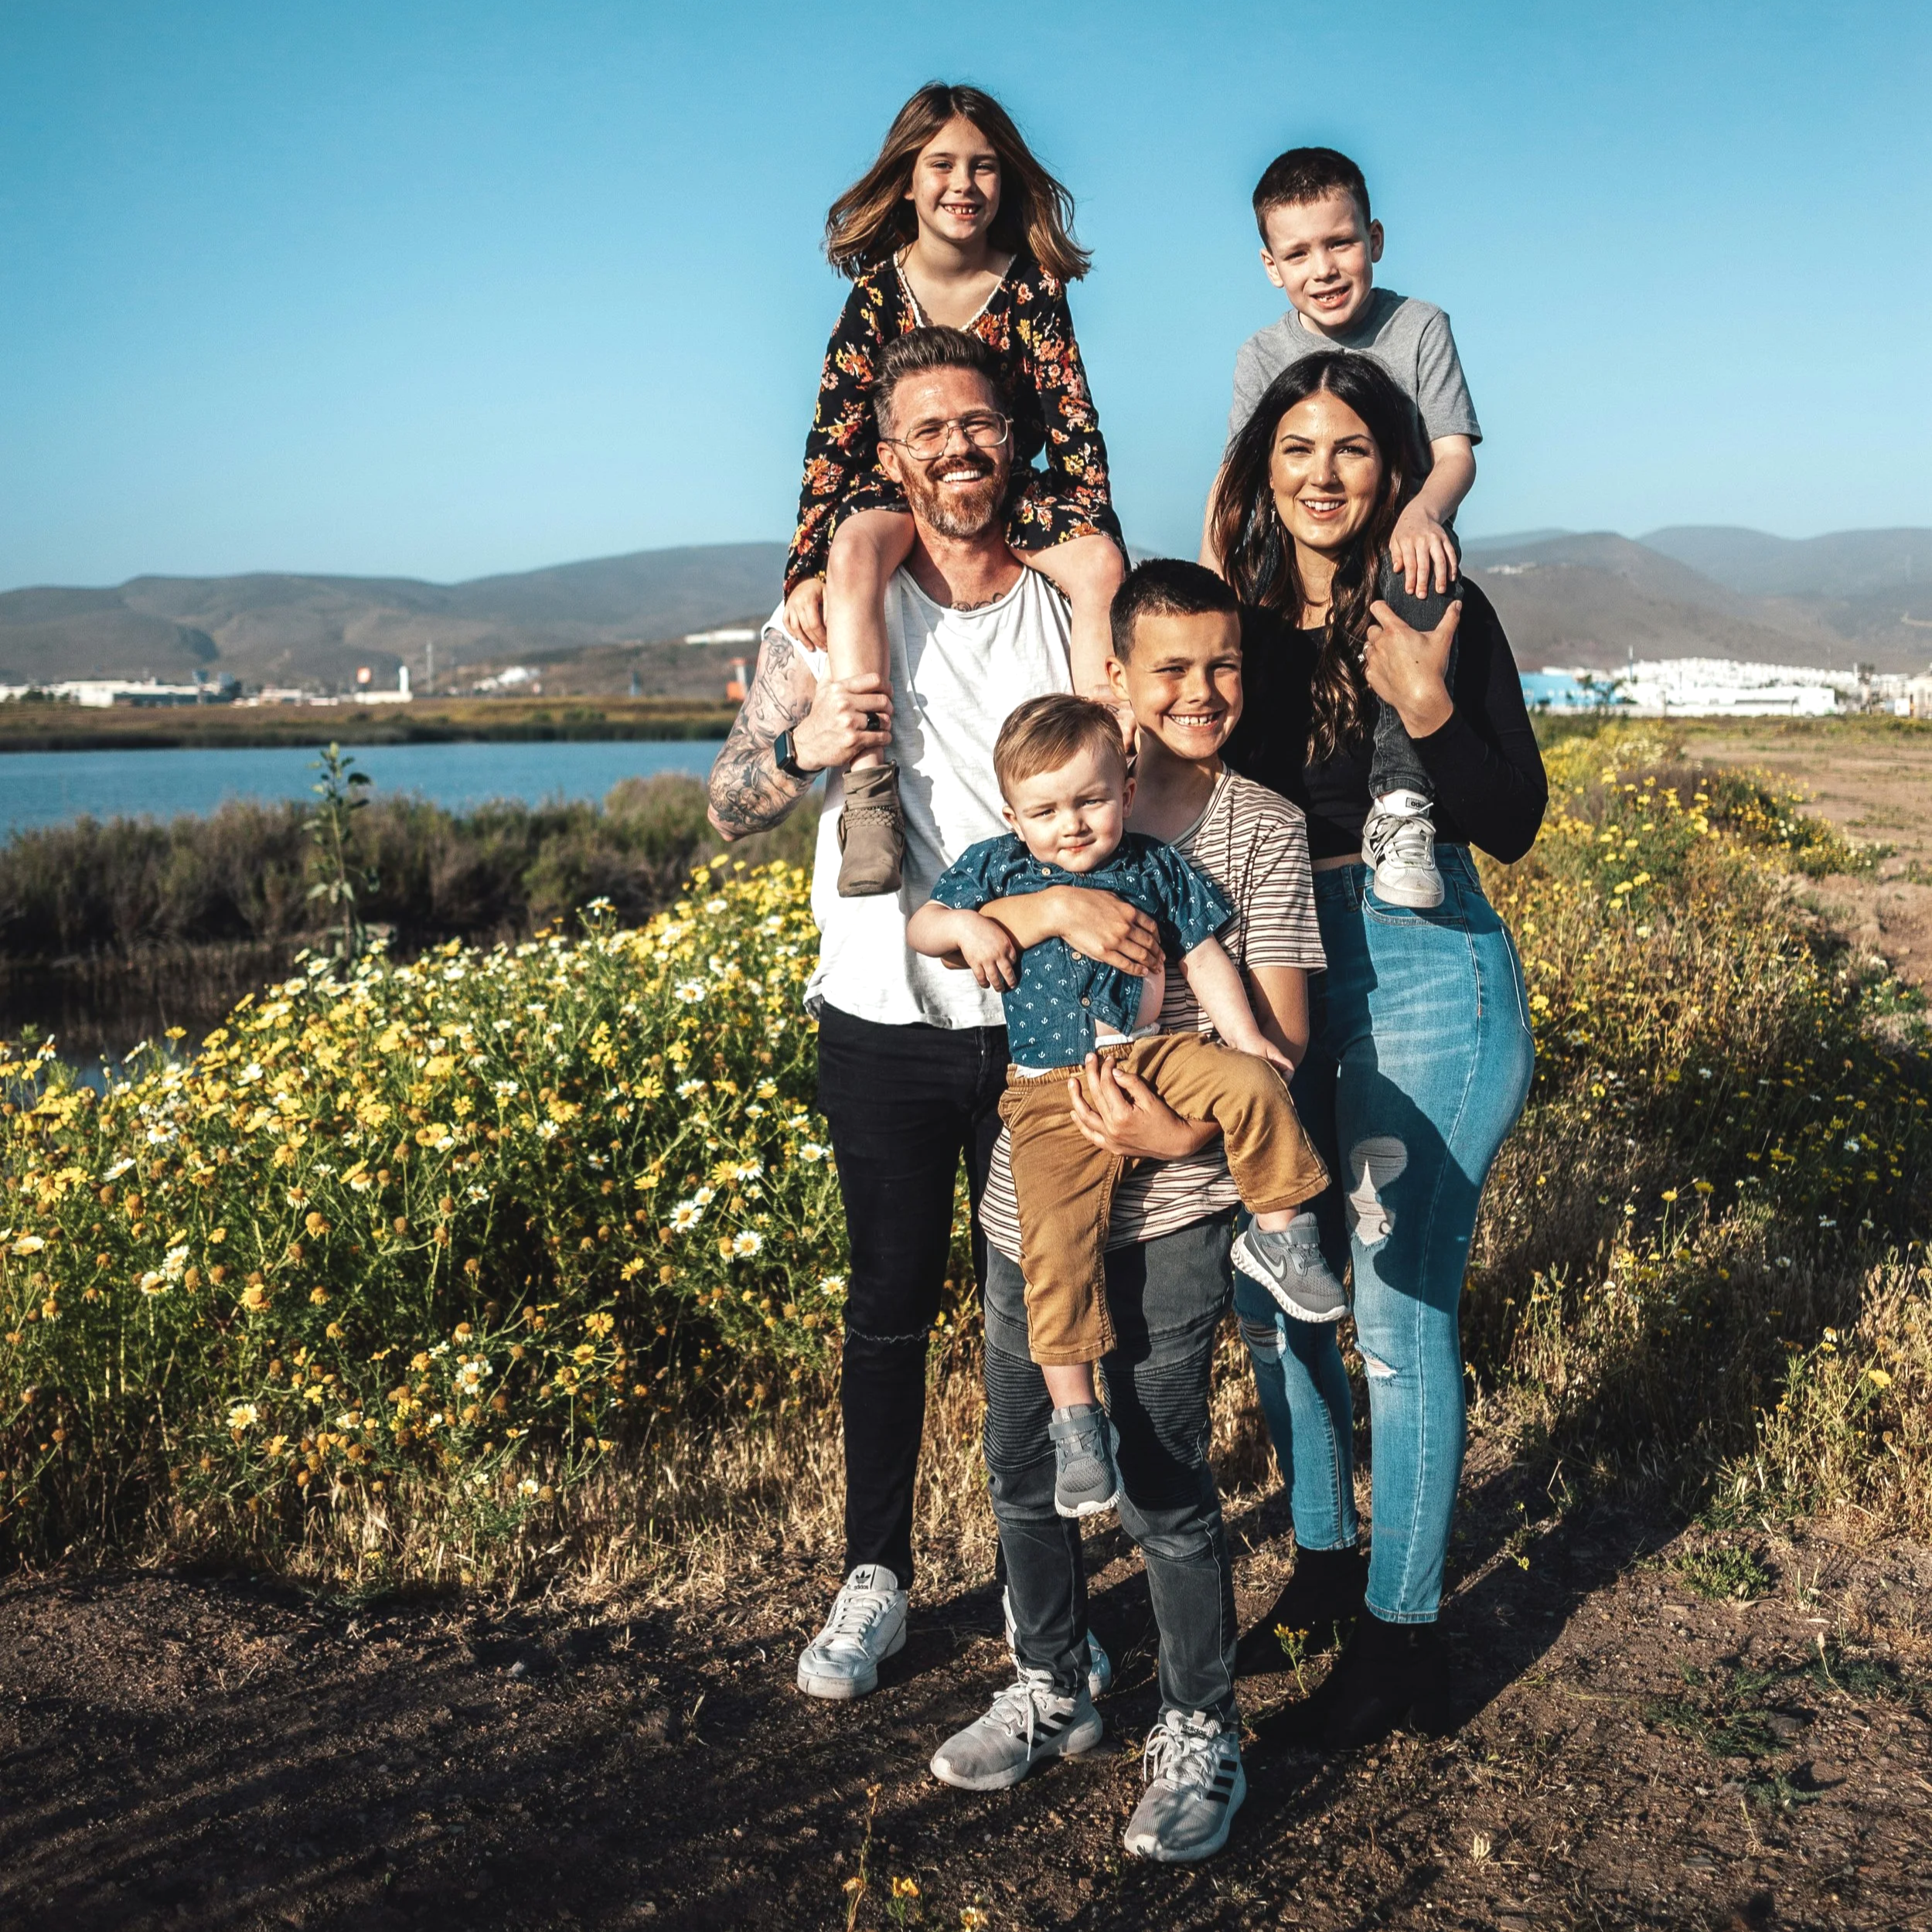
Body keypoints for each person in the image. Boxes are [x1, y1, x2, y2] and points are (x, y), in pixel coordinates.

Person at [707, 324, 1109, 1705]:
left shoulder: (1063, 609)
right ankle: (871, 1574)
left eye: (979, 424)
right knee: (885, 1306)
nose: (956, 448)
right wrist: (796, 746)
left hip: (1037, 1021)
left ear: (1016, 441)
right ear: (888, 455)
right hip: (878, 1010)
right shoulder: (819, 618)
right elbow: (725, 804)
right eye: (927, 428)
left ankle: (1036, 1591)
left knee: (1031, 1308)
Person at [925, 560, 1327, 1864]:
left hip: (1176, 1192)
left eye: (1221, 667)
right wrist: (1038, 903)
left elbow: (1275, 1031)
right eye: (1168, 667)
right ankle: (1052, 1682)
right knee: (1025, 1462)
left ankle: (1198, 1722)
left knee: (1161, 1478)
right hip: (1025, 1190)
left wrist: (1176, 1128)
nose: (1198, 691)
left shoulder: (1252, 827)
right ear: (1113, 681)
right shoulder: (1038, 819)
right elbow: (937, 931)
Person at [1211, 349, 1545, 1749]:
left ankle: (1403, 1639)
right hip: (1276, 962)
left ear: (1393, 467)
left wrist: (1418, 692)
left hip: (1422, 964)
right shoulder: (1230, 622)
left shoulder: (1436, 605)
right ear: (1258, 468)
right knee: (1274, 1286)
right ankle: (1324, 1561)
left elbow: (1510, 811)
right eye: (1295, 446)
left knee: (1397, 1319)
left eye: (1350, 446)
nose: (1322, 473)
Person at [908, 691, 1338, 1521]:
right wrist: (969, 932)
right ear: (1013, 814)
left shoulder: (1154, 865)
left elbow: (1205, 956)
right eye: (1046, 809)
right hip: (1047, 1090)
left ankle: (1284, 1239)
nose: (1071, 825)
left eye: (1091, 800)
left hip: (1156, 1057)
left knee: (1257, 1085)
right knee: (1055, 1247)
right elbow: (924, 926)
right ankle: (1077, 1421)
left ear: (1126, 793)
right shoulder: (996, 869)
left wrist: (1248, 1039)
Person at [781, 82, 1126, 900]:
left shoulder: (1034, 286)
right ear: (906, 179)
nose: (962, 185)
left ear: (1005, 181)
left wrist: (1091, 530)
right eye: (942, 165)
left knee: (1102, 565)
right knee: (857, 546)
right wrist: (804, 567)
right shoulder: (873, 297)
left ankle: (1108, 757)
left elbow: (1071, 419)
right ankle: (870, 791)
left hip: (1016, 484)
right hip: (899, 488)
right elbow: (831, 441)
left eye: (983, 167)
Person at [1201, 146, 1482, 911]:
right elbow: (1236, 479)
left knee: (1421, 566)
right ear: (1270, 265)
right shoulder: (1262, 354)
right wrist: (1207, 584)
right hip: (1296, 555)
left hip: (1398, 547)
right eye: (1298, 252)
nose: (1322, 267)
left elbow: (1454, 455)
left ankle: (1400, 806)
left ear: (1375, 239)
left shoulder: (1420, 326)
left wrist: (1424, 510)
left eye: (1340, 243)